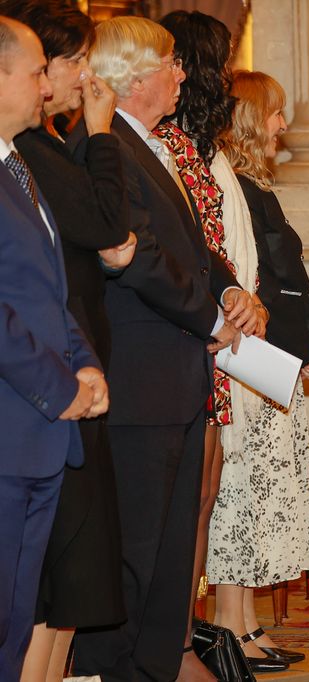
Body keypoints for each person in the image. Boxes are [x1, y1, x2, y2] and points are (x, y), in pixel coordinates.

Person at [69, 16, 258, 681]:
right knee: (133, 552)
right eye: (171, 63)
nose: (182, 74)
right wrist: (209, 318)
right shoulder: (103, 146)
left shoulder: (152, 142)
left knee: (170, 554)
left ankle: (154, 669)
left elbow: (191, 244)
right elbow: (137, 255)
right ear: (133, 76)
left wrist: (230, 289)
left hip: (175, 378)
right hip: (139, 378)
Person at [2, 3, 135, 680]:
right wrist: (63, 388)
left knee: (24, 613)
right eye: (37, 72)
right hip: (18, 419)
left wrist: (85, 366)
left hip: (46, 424)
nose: (50, 86)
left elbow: (54, 287)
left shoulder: (18, 165)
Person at [151, 11, 275, 678]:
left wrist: (236, 294)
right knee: (184, 504)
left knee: (201, 500)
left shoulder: (201, 147)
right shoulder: (165, 147)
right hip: (187, 340)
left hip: (221, 335)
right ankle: (172, 644)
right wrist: (217, 306)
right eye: (219, 63)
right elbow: (176, 252)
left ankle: (183, 638)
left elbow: (216, 251)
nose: (226, 76)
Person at [206, 69, 309, 669]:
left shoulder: (251, 186)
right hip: (248, 361)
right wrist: (297, 337)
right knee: (239, 492)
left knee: (256, 493)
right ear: (251, 118)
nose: (283, 124)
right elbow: (253, 282)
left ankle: (246, 622)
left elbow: (285, 277)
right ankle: (230, 626)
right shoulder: (231, 186)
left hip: (268, 355)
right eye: (275, 112)